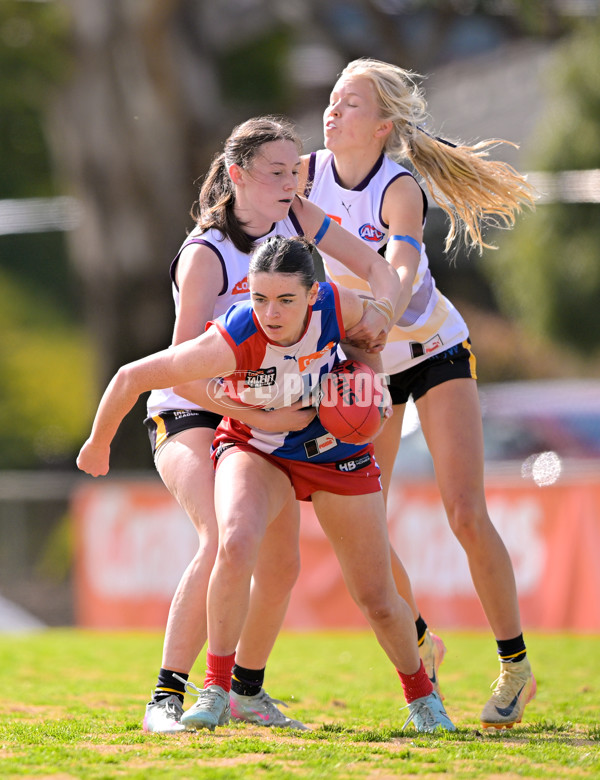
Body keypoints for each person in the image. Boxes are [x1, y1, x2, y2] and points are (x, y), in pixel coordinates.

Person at [77, 235, 456, 734]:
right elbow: (132, 376)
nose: (270, 313)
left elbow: (371, 349)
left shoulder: (340, 305)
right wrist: (97, 444)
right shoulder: (235, 334)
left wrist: (368, 389)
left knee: (378, 596)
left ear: (313, 293)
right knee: (232, 544)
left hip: (336, 452)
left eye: (284, 299)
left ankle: (423, 699)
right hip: (257, 447)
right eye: (258, 298)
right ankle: (216, 691)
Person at [112, 116, 401, 734]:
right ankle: (167, 696)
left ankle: (246, 692)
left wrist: (378, 323)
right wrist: (254, 411)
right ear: (237, 176)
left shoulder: (298, 223)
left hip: (268, 416)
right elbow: (179, 374)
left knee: (282, 566)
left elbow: (379, 274)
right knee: (222, 538)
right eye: (277, 173)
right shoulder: (207, 254)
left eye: (298, 171)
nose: (293, 183)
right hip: (194, 409)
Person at [299, 57, 537, 729]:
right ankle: (423, 636)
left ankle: (515, 666)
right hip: (366, 368)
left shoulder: (398, 185)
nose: (332, 111)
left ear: (382, 126)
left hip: (432, 351)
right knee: (360, 526)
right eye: (332, 100)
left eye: (350, 104)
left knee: (464, 511)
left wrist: (383, 308)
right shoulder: (309, 174)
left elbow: (399, 263)